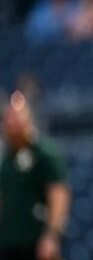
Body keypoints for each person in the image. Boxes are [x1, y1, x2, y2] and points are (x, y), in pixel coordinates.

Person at [0, 92, 70, 260]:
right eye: (8, 118)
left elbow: (58, 194)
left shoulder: (43, 153)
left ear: (28, 118)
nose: (12, 123)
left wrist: (51, 235)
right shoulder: (5, 158)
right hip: (8, 242)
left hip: (36, 242)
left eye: (16, 117)